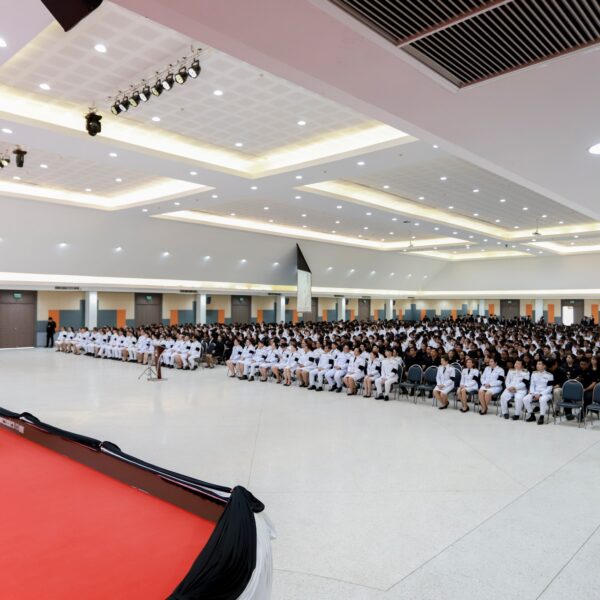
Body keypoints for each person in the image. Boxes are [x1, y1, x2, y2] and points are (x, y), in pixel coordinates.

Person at [521, 360, 554, 424]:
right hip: (535, 392)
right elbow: (532, 385)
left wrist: (540, 394)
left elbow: (549, 388)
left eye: (539, 364)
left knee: (542, 399)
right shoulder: (534, 374)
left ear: (544, 366)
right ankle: (532, 415)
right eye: (537, 364)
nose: (537, 365)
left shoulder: (549, 375)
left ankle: (542, 416)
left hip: (546, 393)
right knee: (525, 399)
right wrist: (533, 393)